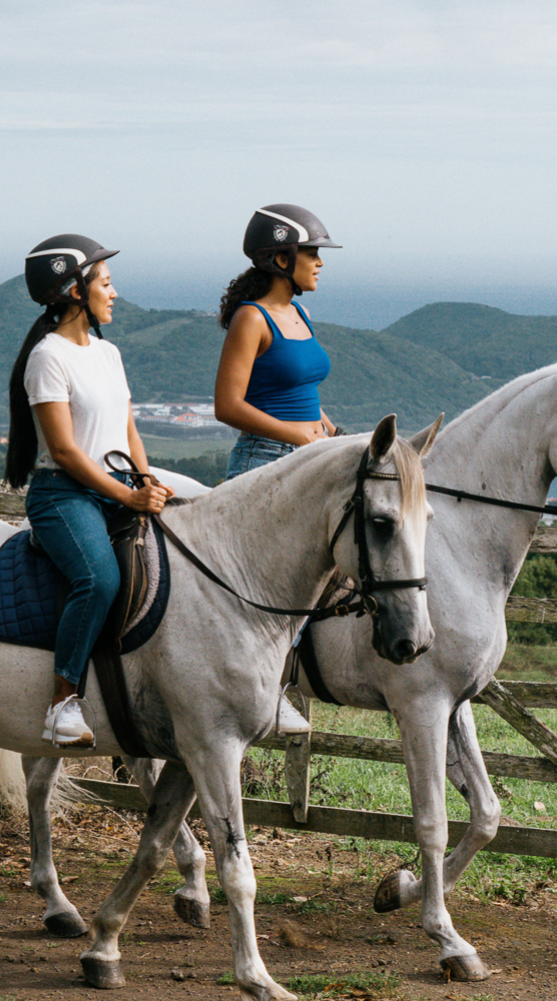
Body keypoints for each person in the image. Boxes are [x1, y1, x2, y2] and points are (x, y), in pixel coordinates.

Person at [6, 234, 173, 748]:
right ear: (75, 291)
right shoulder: (47, 357)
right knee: (98, 579)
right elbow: (65, 452)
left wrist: (146, 481)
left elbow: (129, 432)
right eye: (105, 282)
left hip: (117, 484)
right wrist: (127, 499)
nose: (114, 292)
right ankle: (62, 703)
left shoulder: (108, 352)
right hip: (65, 495)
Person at [213, 204, 343, 734]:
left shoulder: (299, 314)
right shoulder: (252, 318)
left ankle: (288, 680)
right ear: (281, 257)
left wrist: (326, 427)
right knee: (274, 591)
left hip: (308, 456)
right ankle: (263, 690)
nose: (319, 263)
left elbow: (299, 391)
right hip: (263, 464)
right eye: (312, 252)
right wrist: (298, 435)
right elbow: (227, 405)